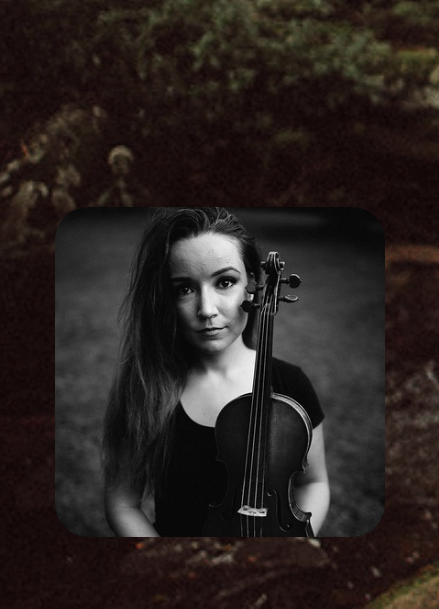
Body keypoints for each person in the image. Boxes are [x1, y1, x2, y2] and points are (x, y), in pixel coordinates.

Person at [101, 207, 331, 536]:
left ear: (252, 284)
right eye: (184, 288)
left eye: (225, 282)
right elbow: (123, 503)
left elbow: (314, 483)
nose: (207, 309)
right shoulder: (146, 389)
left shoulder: (291, 384)